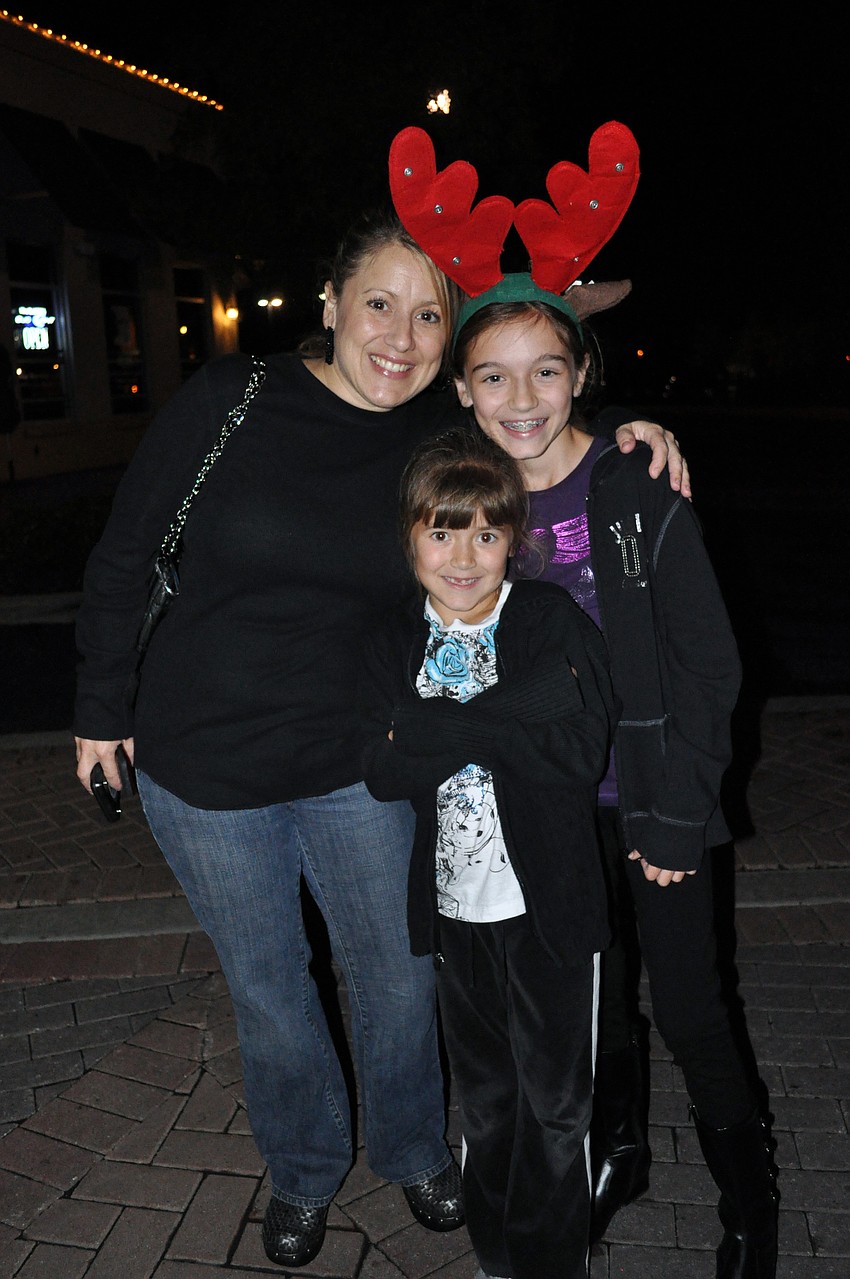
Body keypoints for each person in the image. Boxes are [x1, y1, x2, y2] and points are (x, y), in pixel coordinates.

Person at [73, 202, 684, 1270]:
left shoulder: (432, 436)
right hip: (203, 761)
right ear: (331, 306)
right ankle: (306, 1171)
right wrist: (97, 709)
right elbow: (126, 552)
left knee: (400, 975)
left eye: (427, 315)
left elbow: (539, 434)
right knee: (271, 990)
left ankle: (410, 1149)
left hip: (365, 753)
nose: (400, 337)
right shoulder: (236, 397)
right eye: (378, 306)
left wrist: (634, 431)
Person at [450, 283, 779, 1278]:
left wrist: (680, 814)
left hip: (651, 799)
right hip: (542, 805)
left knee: (688, 1004)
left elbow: (708, 663)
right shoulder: (463, 489)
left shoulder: (631, 484)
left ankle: (749, 1201)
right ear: (461, 391)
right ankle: (620, 1149)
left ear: (582, 375)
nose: (522, 396)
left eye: (546, 370)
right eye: (493, 375)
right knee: (585, 1006)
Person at [359, 427, 617, 1279]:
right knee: (489, 1100)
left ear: (514, 537)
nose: (463, 556)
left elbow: (581, 753)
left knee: (557, 1103)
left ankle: (552, 1261)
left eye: (485, 532)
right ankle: (500, 1254)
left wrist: (440, 725)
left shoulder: (547, 620)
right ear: (409, 540)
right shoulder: (392, 638)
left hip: (546, 907)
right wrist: (515, 713)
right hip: (454, 911)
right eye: (441, 531)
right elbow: (386, 767)